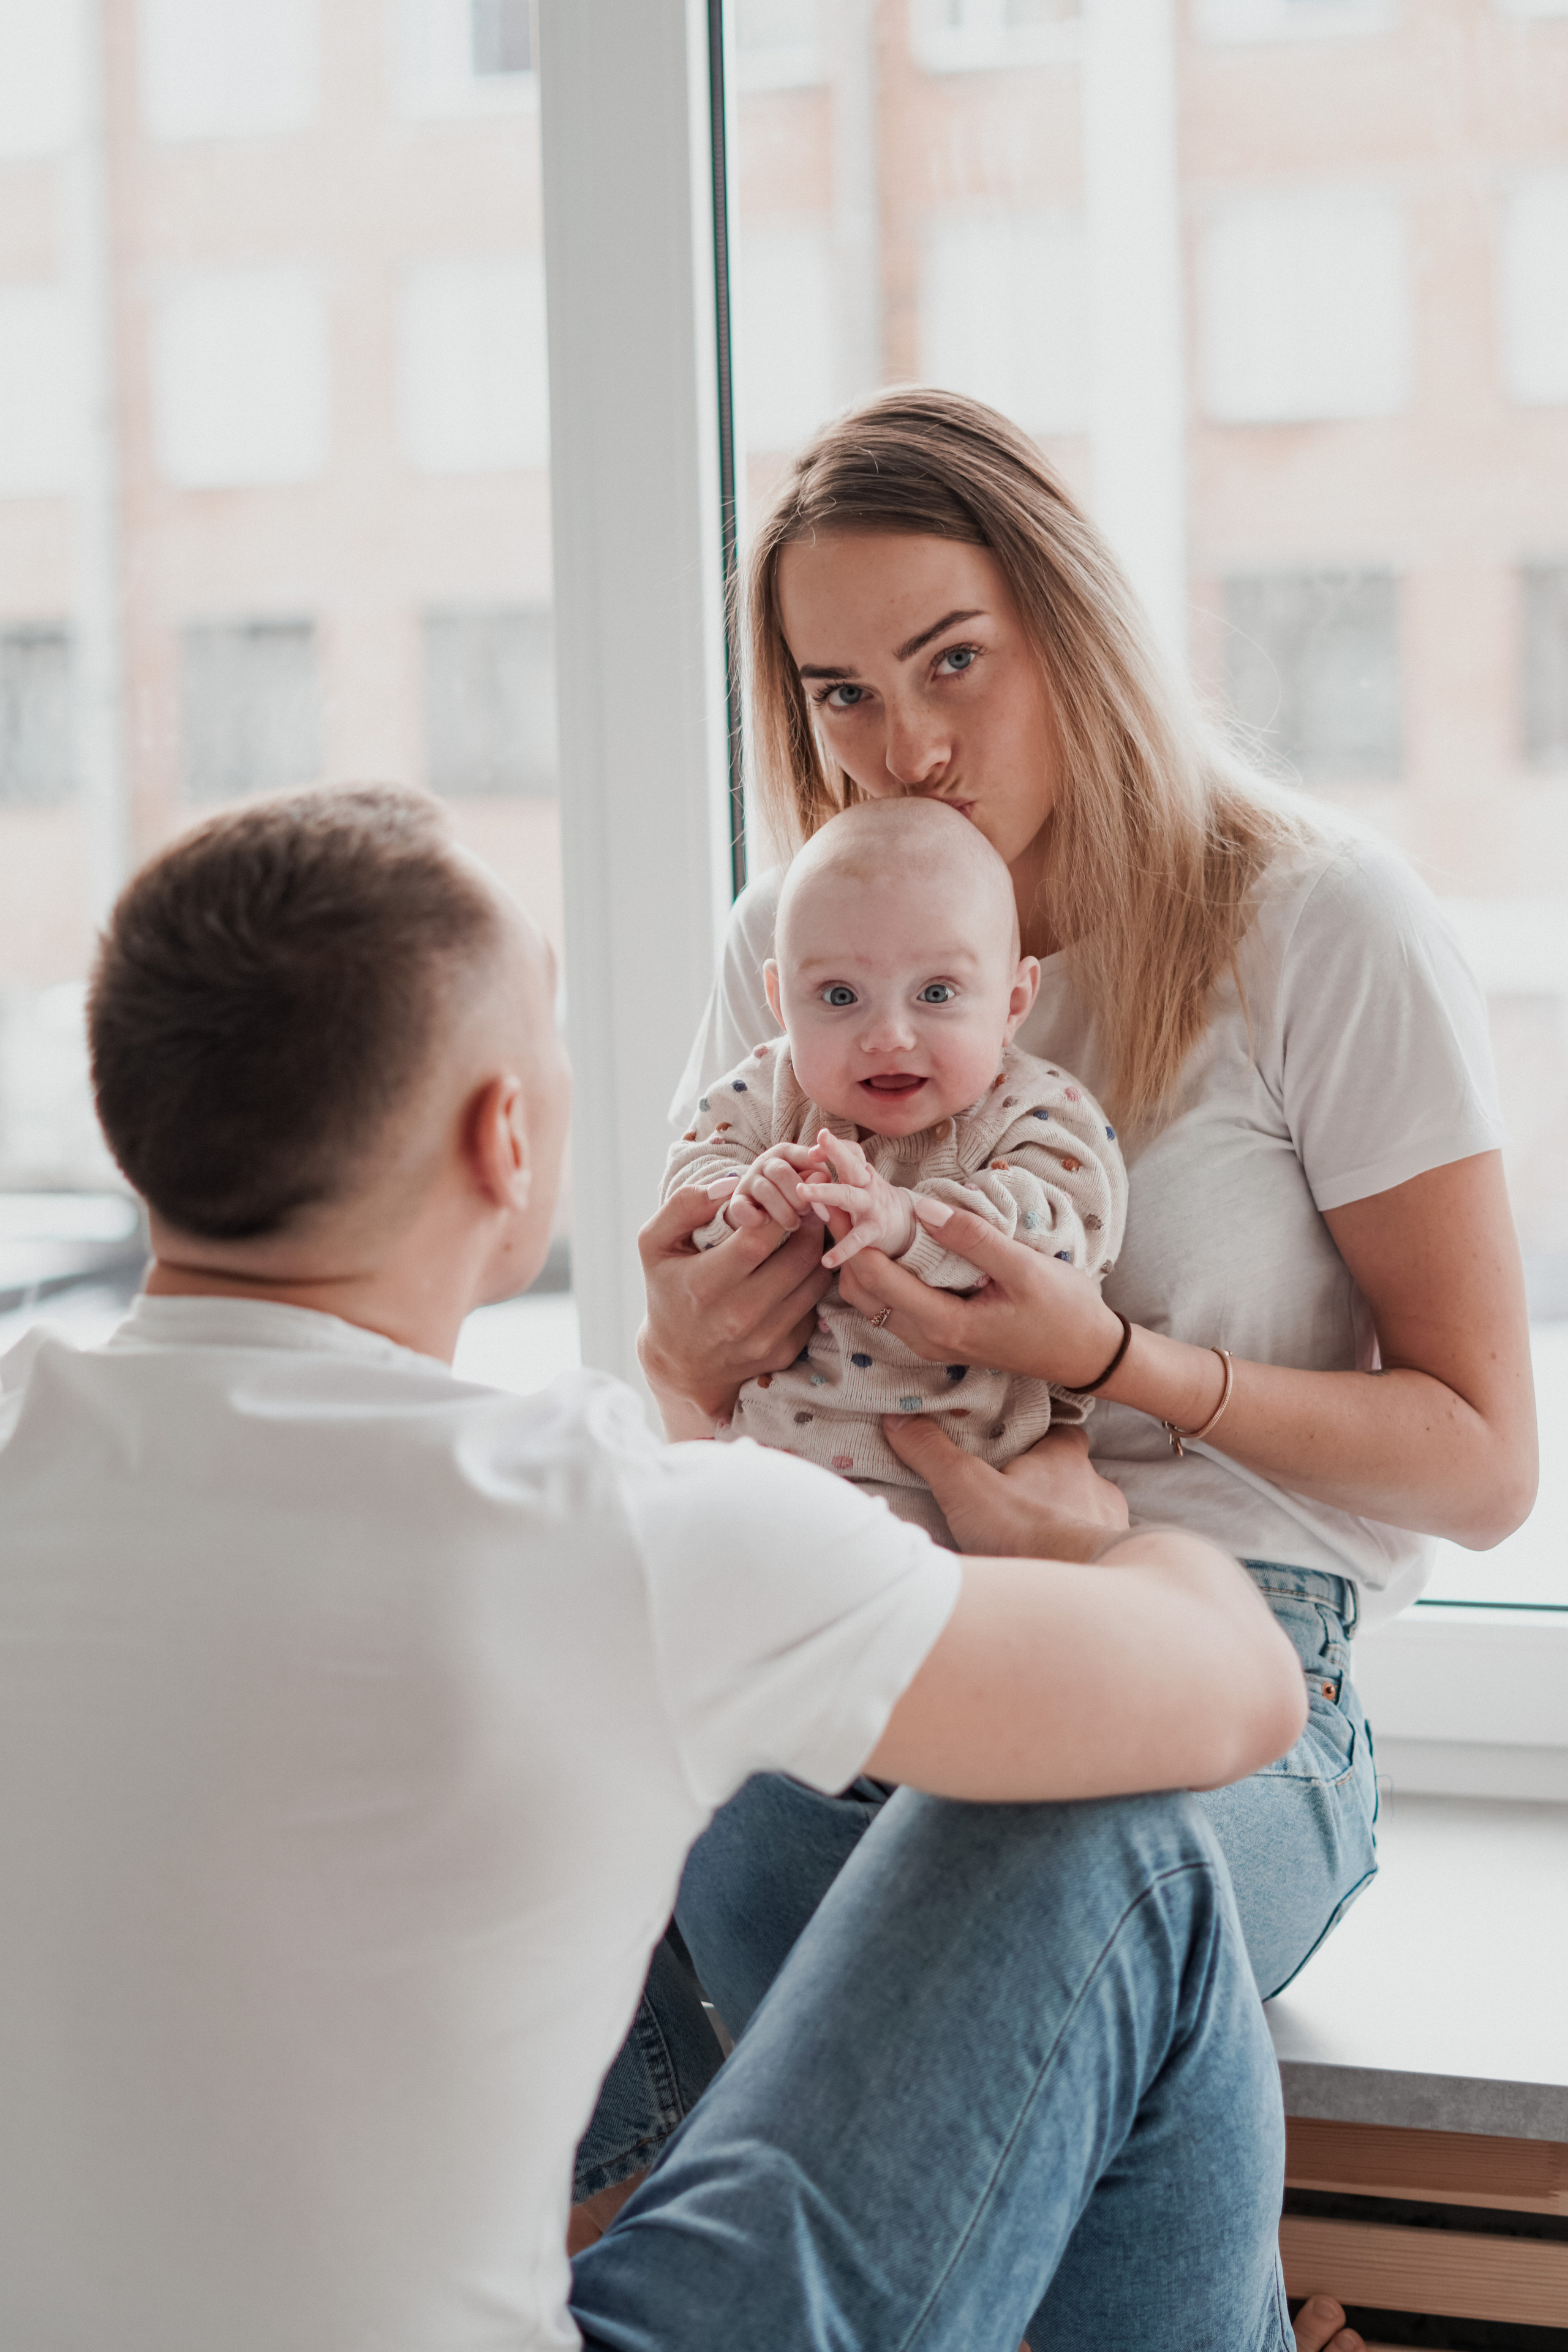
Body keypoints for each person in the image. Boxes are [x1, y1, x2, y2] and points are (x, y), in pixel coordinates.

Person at [0, 782, 1341, 2350]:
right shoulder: (603, 1527)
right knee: (1116, 1842)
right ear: (505, 1137)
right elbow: (1241, 1690)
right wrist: (1097, 1539)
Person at [638, 388, 1537, 2086]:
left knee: (1009, 1893)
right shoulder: (797, 940)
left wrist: (1112, 1364)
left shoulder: (1314, 923)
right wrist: (682, 1352)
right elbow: (691, 1405)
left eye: (952, 660)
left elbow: (1486, 1465)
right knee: (708, 1854)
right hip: (881, 1612)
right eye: (844, 692)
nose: (905, 749)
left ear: (1068, 623)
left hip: (1235, 1665)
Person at [660, 796, 1126, 1540]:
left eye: (936, 994)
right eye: (839, 996)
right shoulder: (769, 1089)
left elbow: (1064, 1236)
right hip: (773, 1489)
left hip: (967, 1503)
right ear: (780, 1000)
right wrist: (743, 1202)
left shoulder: (1032, 1109)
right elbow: (692, 1175)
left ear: (1012, 1002)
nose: (887, 1035)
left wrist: (911, 1224)